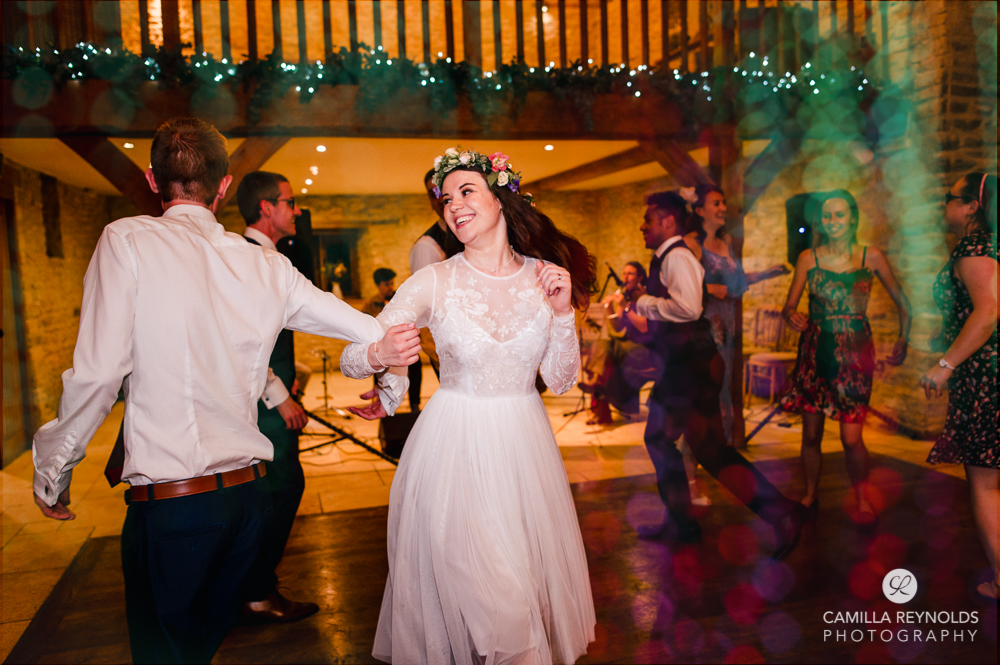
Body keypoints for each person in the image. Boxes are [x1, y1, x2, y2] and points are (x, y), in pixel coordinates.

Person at [30, 117, 420, 664]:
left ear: (150, 178)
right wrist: (390, 388)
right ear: (224, 186)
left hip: (175, 509)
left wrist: (53, 469)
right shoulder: (266, 264)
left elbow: (97, 374)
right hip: (248, 507)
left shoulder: (127, 240)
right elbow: (377, 331)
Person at [340, 147, 596, 664]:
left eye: (466, 192)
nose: (453, 206)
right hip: (453, 449)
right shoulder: (435, 280)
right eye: (446, 198)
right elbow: (354, 353)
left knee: (518, 596)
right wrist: (379, 355)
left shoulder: (545, 276)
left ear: (501, 199)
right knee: (496, 604)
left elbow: (562, 380)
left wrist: (565, 313)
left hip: (524, 453)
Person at [633, 190, 803, 558]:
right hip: (686, 367)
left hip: (692, 369)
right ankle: (685, 523)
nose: (642, 226)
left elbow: (689, 308)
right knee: (686, 446)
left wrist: (644, 304)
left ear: (668, 222)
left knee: (697, 449)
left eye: (648, 220)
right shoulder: (668, 257)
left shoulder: (677, 257)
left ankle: (779, 513)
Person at [780, 189, 911, 525]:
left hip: (854, 354)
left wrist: (903, 338)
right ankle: (810, 494)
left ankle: (863, 497)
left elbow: (903, 302)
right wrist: (790, 314)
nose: (833, 221)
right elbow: (789, 306)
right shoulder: (808, 258)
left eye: (840, 215)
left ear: (852, 218)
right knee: (811, 434)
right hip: (814, 350)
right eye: (827, 216)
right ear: (819, 221)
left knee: (851, 438)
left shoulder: (872, 256)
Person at [236, 170, 318, 623]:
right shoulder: (254, 260)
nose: (296, 210)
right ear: (267, 208)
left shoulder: (264, 255)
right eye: (290, 202)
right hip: (265, 405)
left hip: (271, 391)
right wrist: (279, 394)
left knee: (273, 487)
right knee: (283, 484)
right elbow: (247, 339)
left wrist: (294, 373)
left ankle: (251, 585)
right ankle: (256, 590)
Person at [922, 172, 997, 600]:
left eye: (949, 198)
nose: (943, 205)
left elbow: (987, 313)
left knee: (985, 482)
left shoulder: (975, 249)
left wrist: (946, 363)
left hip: (986, 376)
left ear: (971, 207)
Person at [683, 184, 790, 447]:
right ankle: (692, 454)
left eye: (723, 203)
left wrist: (767, 273)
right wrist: (708, 290)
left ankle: (717, 450)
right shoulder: (690, 243)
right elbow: (679, 287)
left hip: (727, 327)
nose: (723, 208)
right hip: (704, 328)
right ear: (699, 210)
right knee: (703, 390)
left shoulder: (726, 242)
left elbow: (737, 282)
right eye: (716, 203)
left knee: (722, 388)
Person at [406, 169, 466, 410]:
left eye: (442, 190)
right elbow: (427, 311)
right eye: (432, 193)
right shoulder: (427, 246)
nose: (439, 198)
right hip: (452, 350)